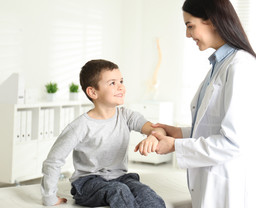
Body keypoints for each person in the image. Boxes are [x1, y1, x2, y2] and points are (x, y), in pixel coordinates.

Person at [151, 0, 256, 208]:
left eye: (190, 26)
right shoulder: (219, 64)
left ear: (212, 21)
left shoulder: (240, 66)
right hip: (219, 182)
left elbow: (234, 141)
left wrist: (176, 145)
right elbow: (217, 125)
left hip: (234, 187)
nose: (187, 35)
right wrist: (180, 132)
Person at [41, 59, 166, 208]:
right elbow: (54, 160)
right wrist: (49, 197)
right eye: (112, 83)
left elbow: (158, 129)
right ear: (93, 92)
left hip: (120, 178)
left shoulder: (127, 116)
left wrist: (153, 136)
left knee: (146, 192)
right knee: (119, 191)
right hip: (87, 183)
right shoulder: (80, 126)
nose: (121, 87)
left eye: (121, 81)